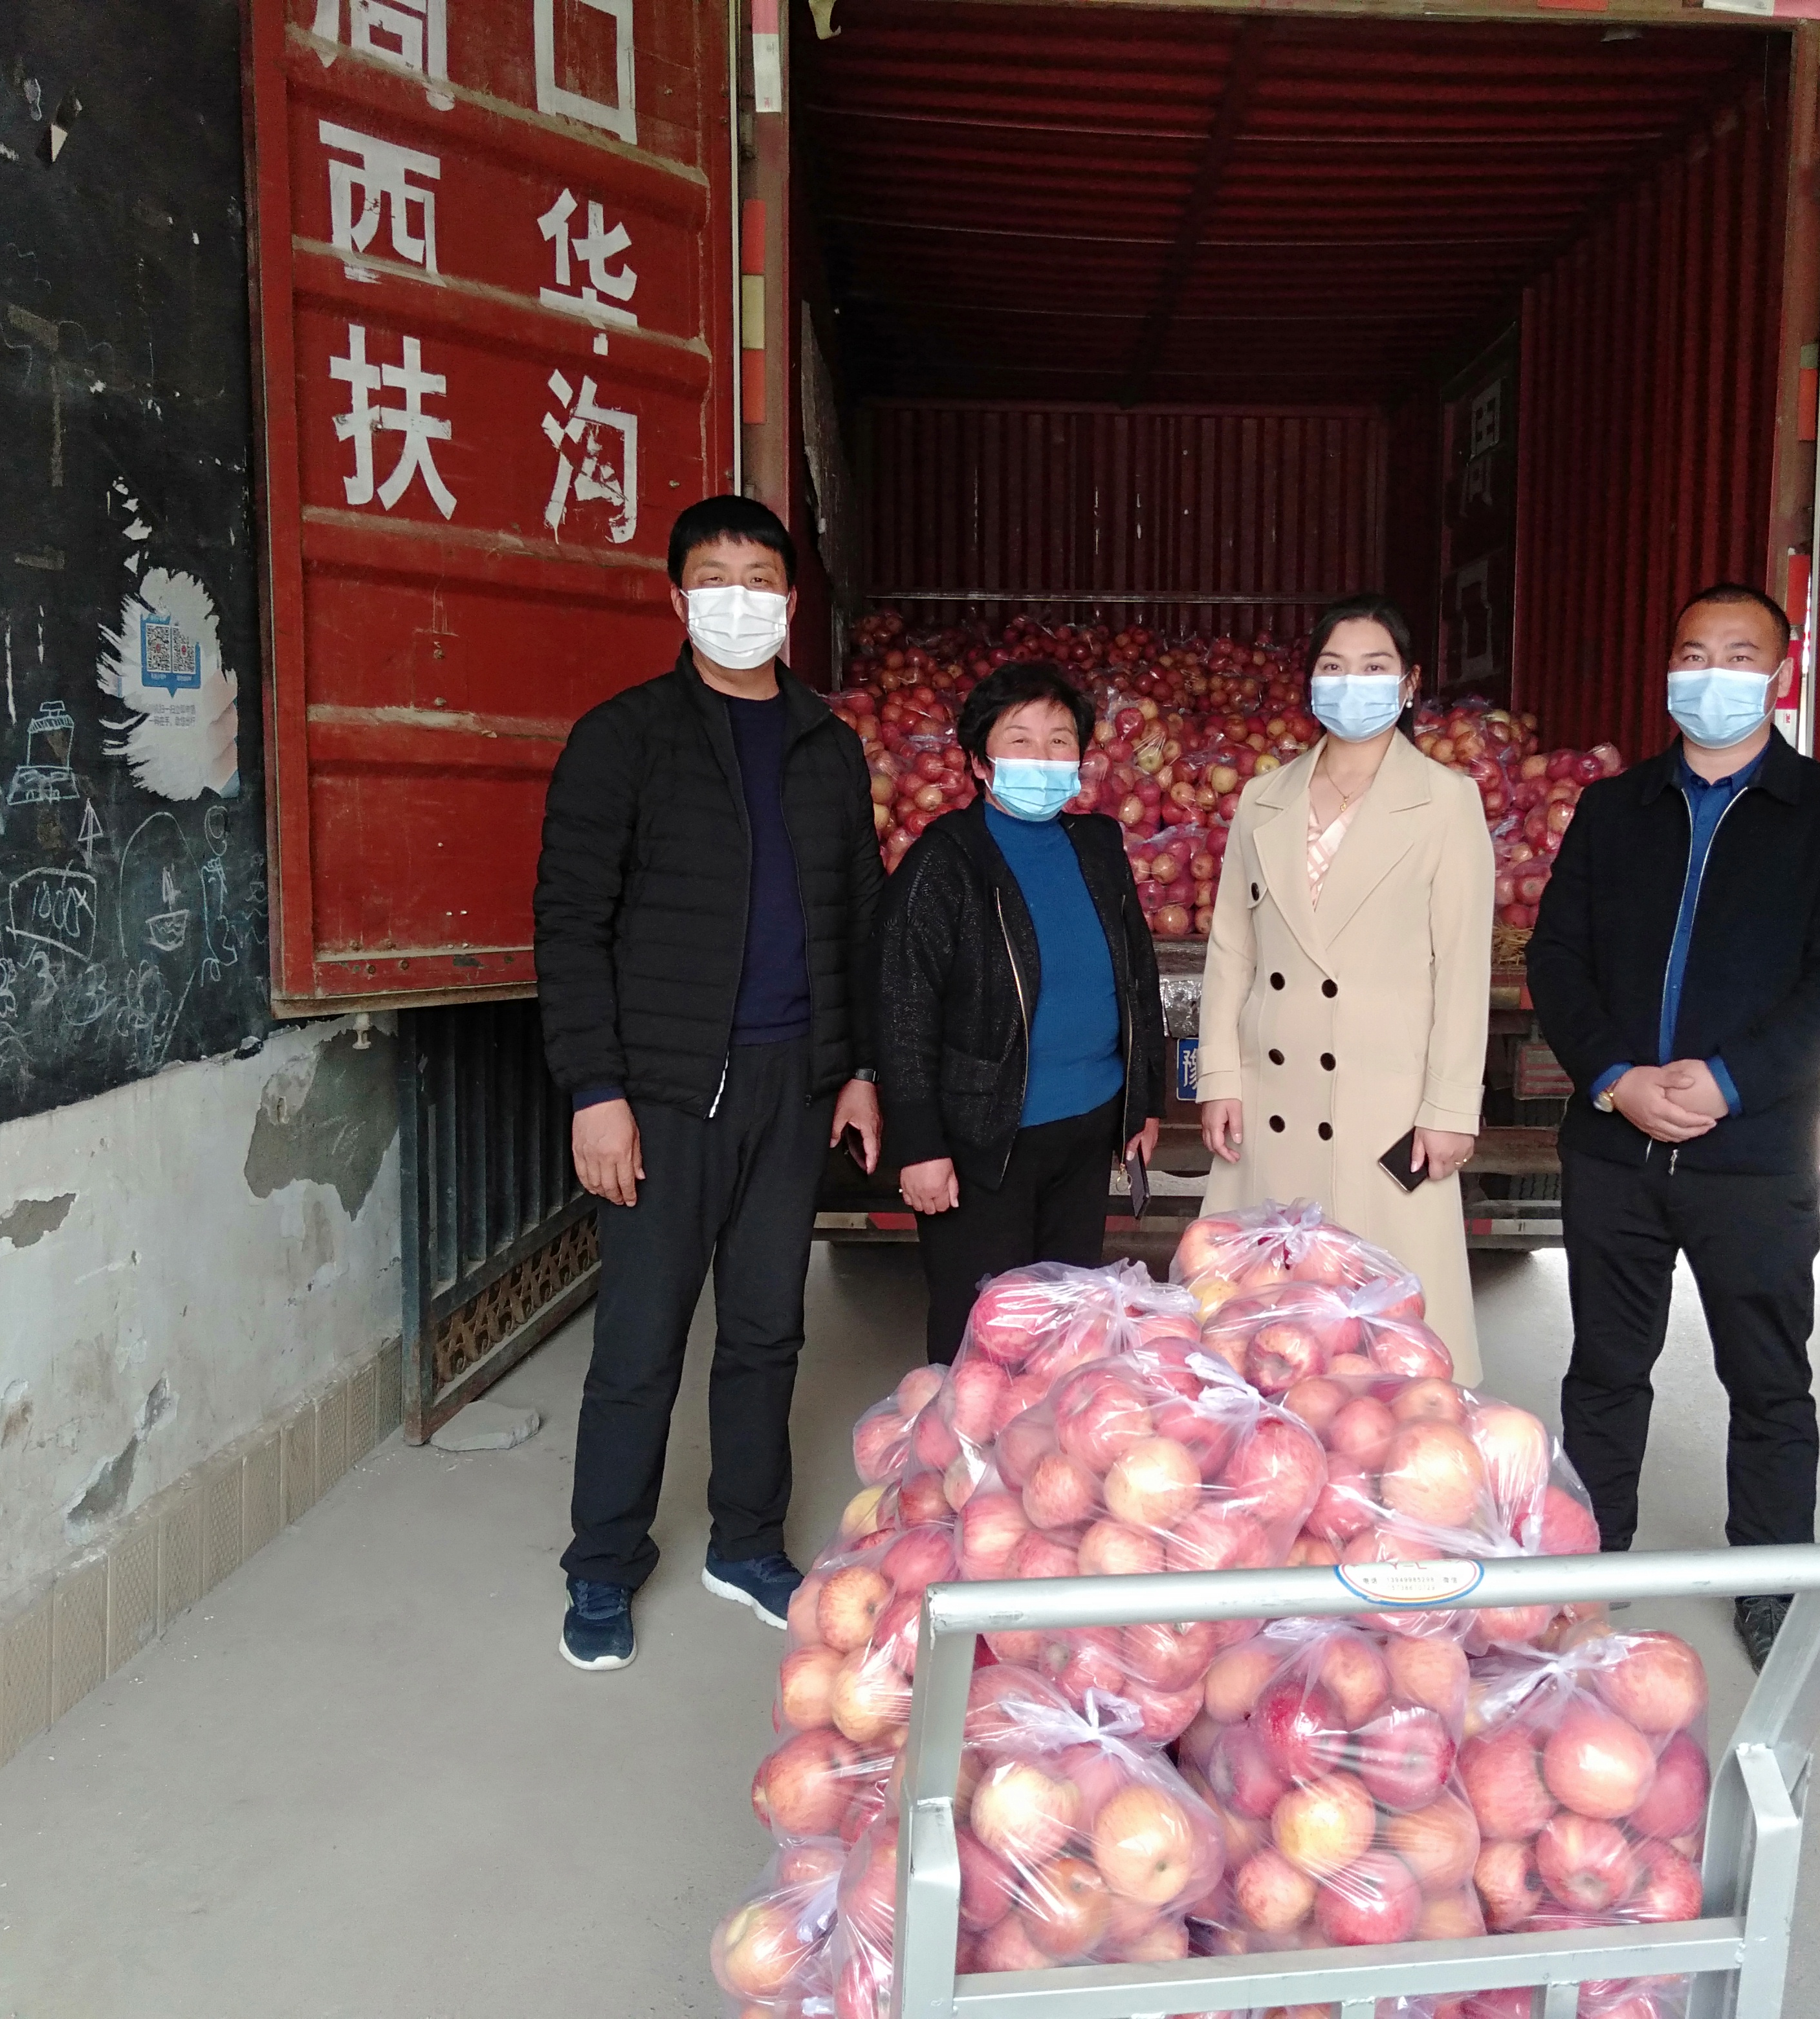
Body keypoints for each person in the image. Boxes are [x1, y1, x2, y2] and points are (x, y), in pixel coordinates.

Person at [533, 496, 884, 1670]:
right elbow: (570, 924)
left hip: (791, 1085)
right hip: (665, 1090)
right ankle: (603, 1561)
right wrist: (596, 1089)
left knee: (769, 1331)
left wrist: (857, 1070)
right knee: (640, 1341)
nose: (742, 600)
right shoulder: (624, 738)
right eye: (717, 580)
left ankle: (746, 1541)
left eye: (761, 580)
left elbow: (858, 920)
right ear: (678, 600)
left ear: (790, 600)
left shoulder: (828, 746)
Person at [1524, 582, 1820, 1671]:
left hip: (1755, 1155)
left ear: (1779, 673)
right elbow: (1557, 957)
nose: (1711, 675)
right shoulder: (1614, 809)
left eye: (1739, 655)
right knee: (1605, 1368)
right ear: (1669, 670)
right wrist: (1613, 1077)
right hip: (1615, 1146)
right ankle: (1586, 1567)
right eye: (1693, 653)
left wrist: (1732, 1082)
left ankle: (1768, 1579)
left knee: (1768, 1377)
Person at [1197, 594, 1495, 1382]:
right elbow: (1230, 950)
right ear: (1309, 681)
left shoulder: (1446, 801)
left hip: (1384, 1108)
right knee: (1261, 1343)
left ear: (1409, 683)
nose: (1351, 684)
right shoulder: (1263, 798)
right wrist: (1219, 1076)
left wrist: (1449, 1108)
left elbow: (1462, 967)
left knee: (1384, 1357)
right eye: (1333, 667)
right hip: (1272, 1097)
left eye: (1373, 667)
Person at [872, 663, 1167, 1361]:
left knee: (1066, 1325)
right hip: (985, 1141)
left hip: (1086, 1128)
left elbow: (1136, 976)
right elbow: (903, 1009)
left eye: (1059, 741)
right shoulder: (944, 861)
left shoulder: (1098, 845)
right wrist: (920, 1146)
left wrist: (1143, 1102)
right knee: (985, 1333)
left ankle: (1050, 1431)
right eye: (1020, 740)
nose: (1042, 757)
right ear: (979, 762)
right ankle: (965, 1432)